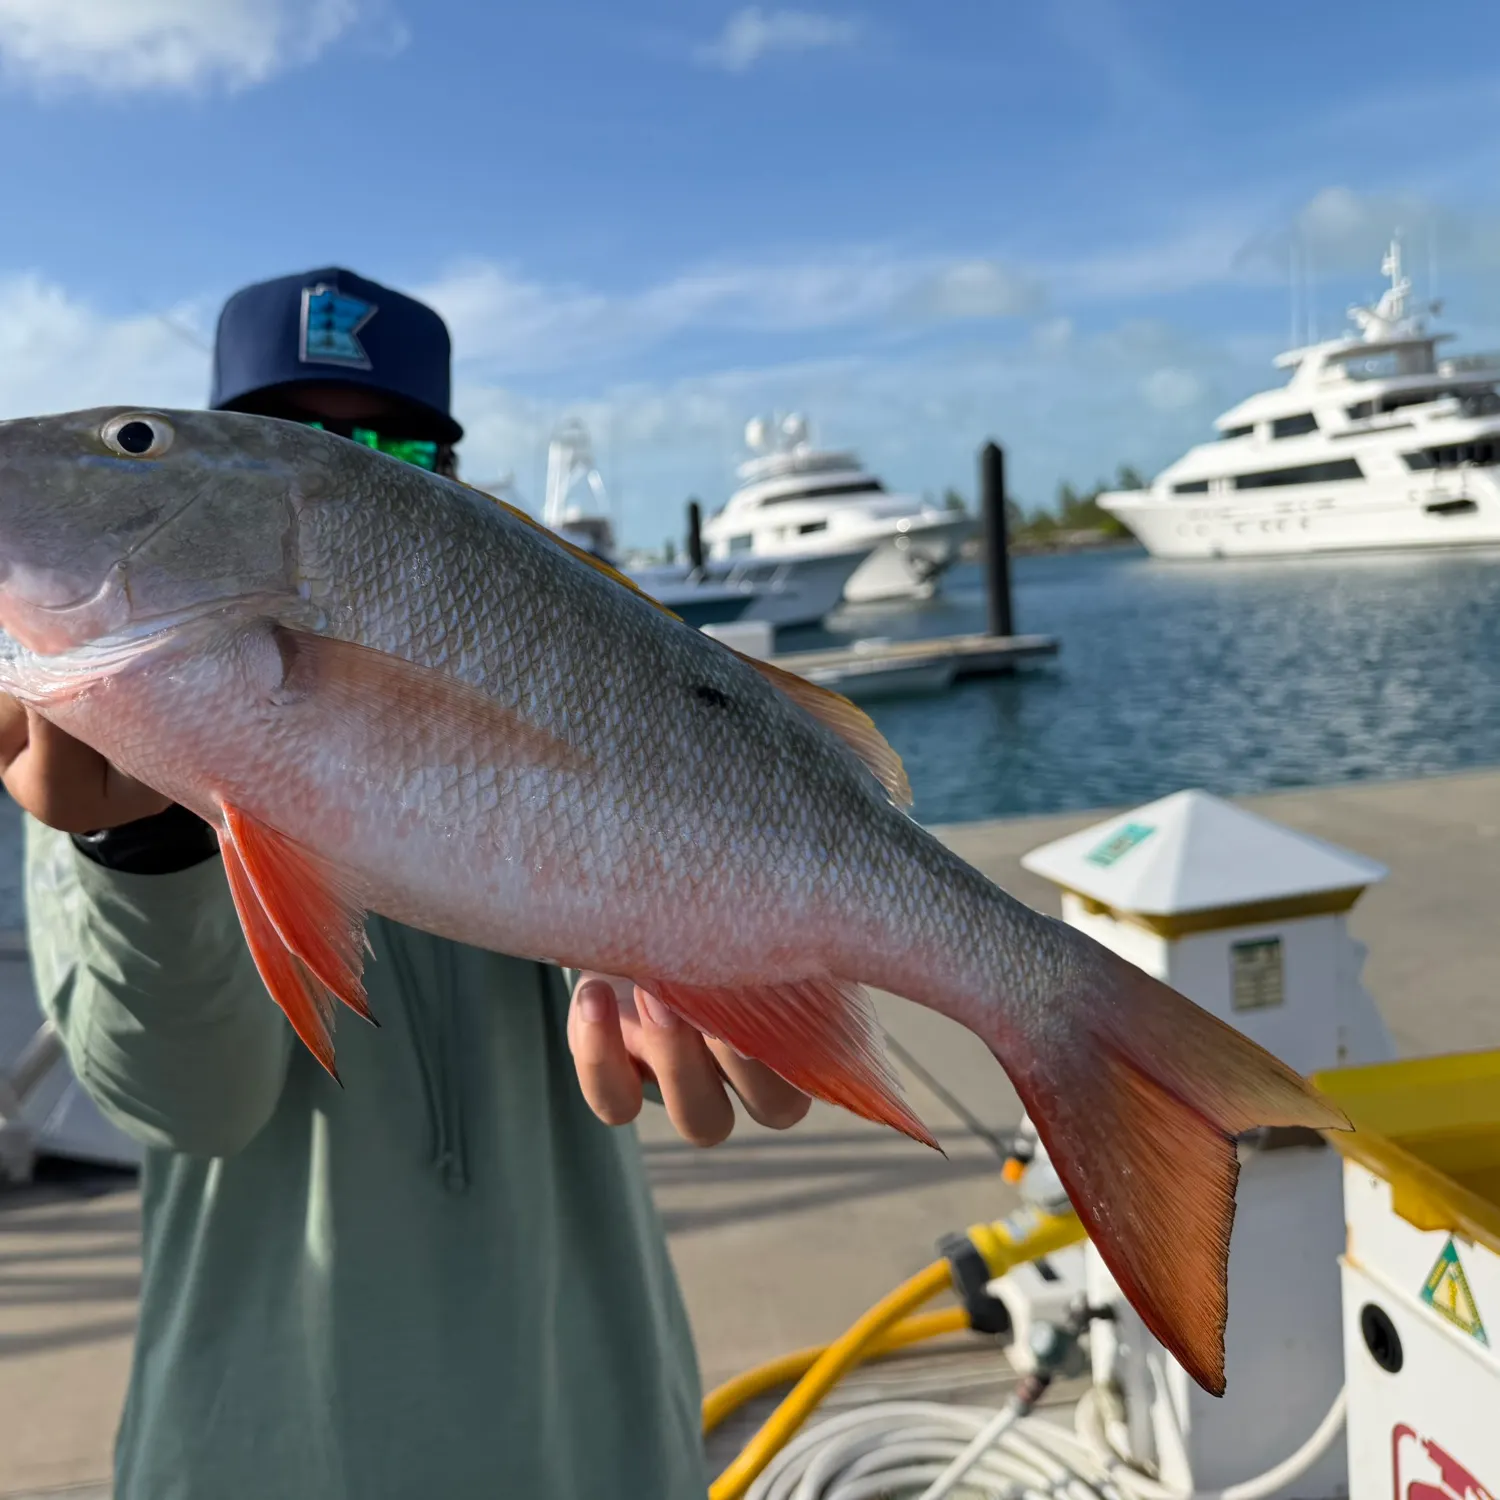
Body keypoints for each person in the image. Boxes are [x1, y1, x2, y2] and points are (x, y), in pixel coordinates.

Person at [3, 267, 811, 1500]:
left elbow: (644, 878)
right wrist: (147, 851)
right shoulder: (101, 747)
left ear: (439, 478)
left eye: (382, 446)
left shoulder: (549, 659)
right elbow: (188, 1108)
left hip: (594, 1431)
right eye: (282, 439)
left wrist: (724, 981)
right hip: (255, 1453)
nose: (332, 472)